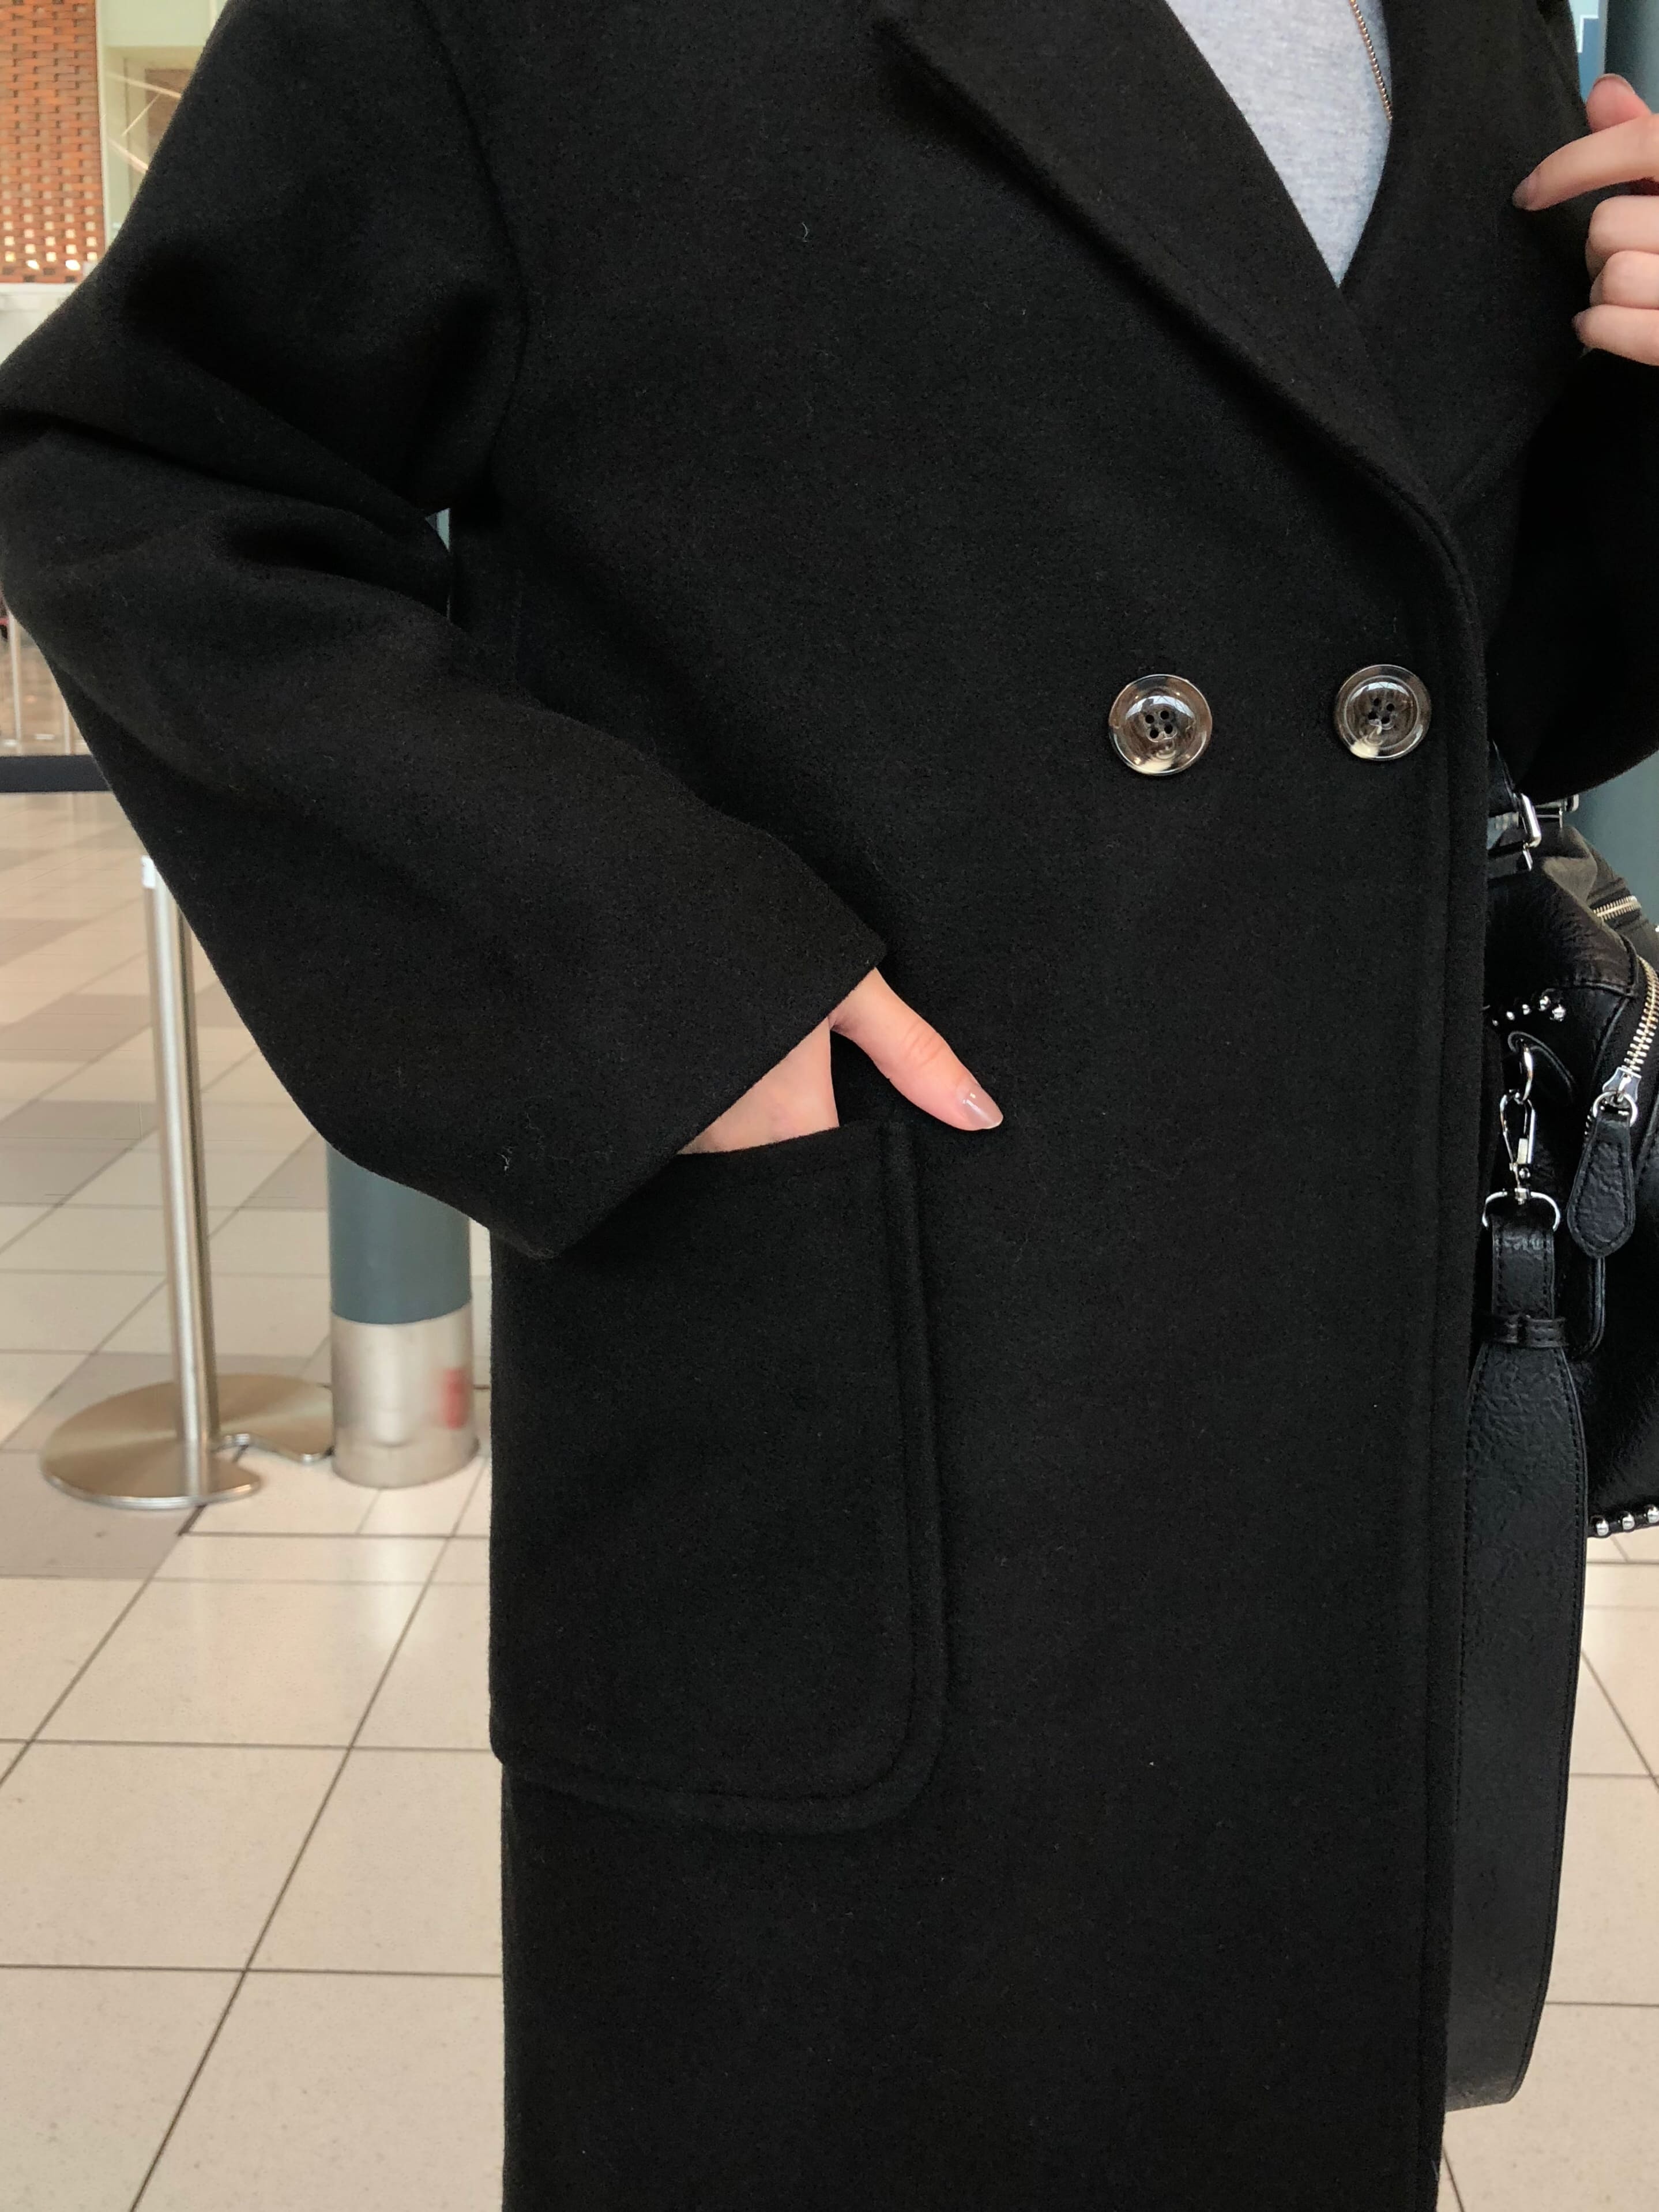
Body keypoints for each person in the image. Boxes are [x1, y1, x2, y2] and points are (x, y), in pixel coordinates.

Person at [1, 1, 1656, 2203]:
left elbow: (1457, 664)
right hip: (884, 1375)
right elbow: (147, 472)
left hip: (1323, 1406)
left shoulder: (1469, 21)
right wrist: (645, 976)